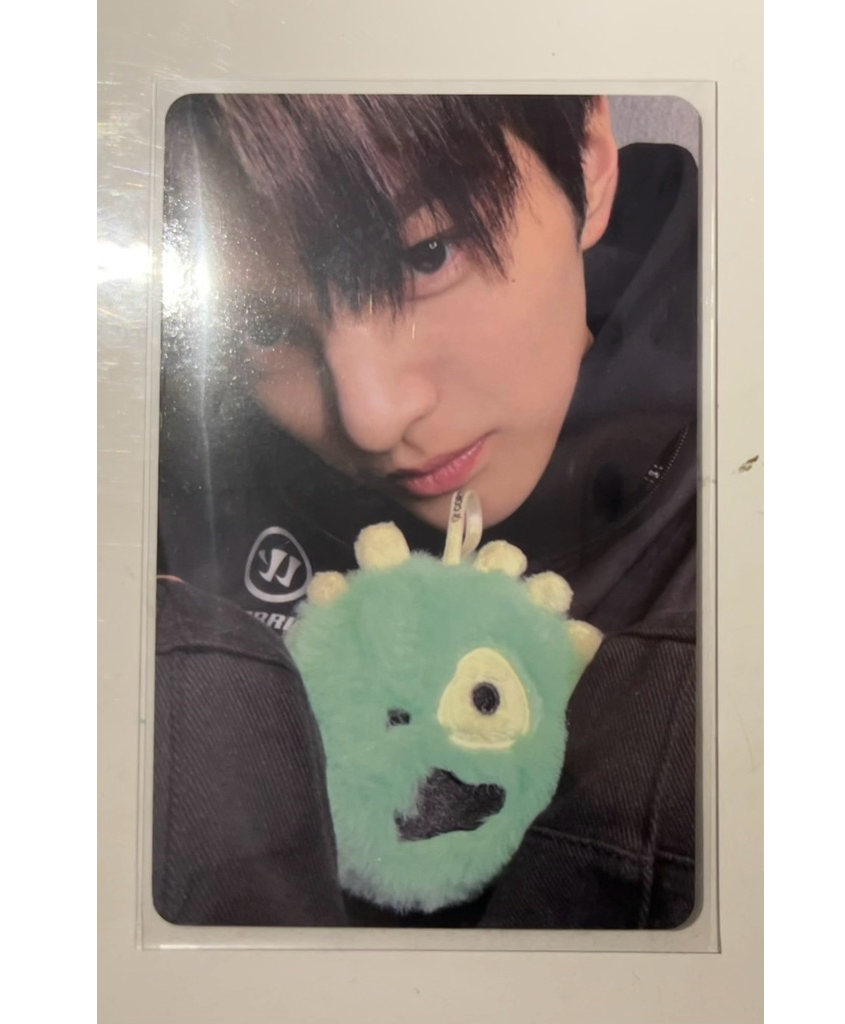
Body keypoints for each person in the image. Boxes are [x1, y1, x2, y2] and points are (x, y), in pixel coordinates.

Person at [155, 94, 698, 929]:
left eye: (426, 253)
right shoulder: (165, 484)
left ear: (588, 164)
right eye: (260, 325)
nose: (371, 418)